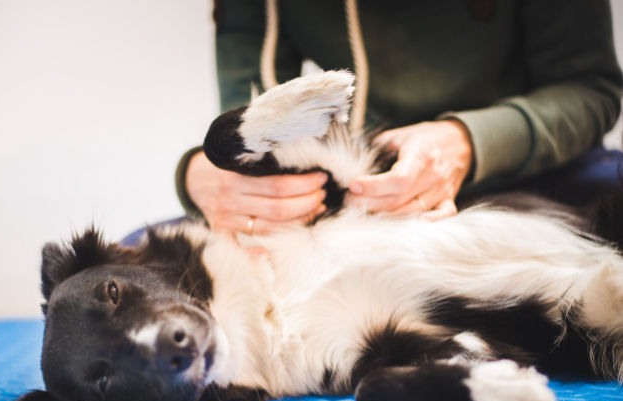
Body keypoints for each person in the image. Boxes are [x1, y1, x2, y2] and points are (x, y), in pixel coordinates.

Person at [174, 0, 623, 235]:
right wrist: (199, 177)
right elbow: (253, 119)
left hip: (535, 175)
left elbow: (591, 88)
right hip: (360, 201)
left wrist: (468, 143)